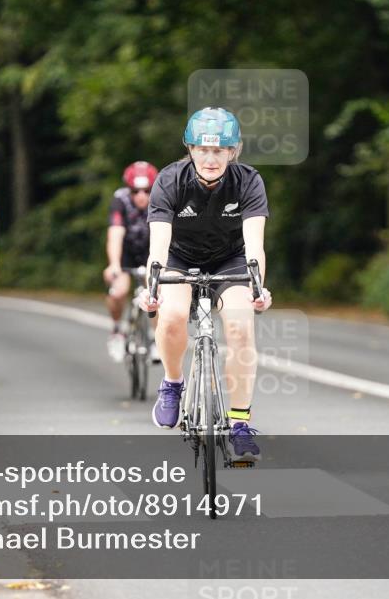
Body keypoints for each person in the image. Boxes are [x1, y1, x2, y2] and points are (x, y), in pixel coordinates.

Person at [140, 107, 272, 462]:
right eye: (202, 149)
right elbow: (158, 245)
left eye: (219, 150)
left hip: (231, 259)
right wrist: (151, 288)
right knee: (170, 318)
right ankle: (172, 384)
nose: (210, 158)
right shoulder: (170, 180)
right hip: (180, 259)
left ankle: (240, 424)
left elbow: (255, 243)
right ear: (190, 148)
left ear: (233, 151)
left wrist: (258, 286)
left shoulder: (248, 181)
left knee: (241, 328)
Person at [104, 161, 159, 363]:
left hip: (152, 250)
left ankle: (155, 340)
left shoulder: (162, 198)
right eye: (136, 191)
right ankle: (117, 330)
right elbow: (115, 234)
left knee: (157, 292)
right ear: (129, 189)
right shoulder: (120, 200)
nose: (141, 196)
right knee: (118, 291)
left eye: (147, 190)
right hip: (126, 251)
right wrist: (114, 264)